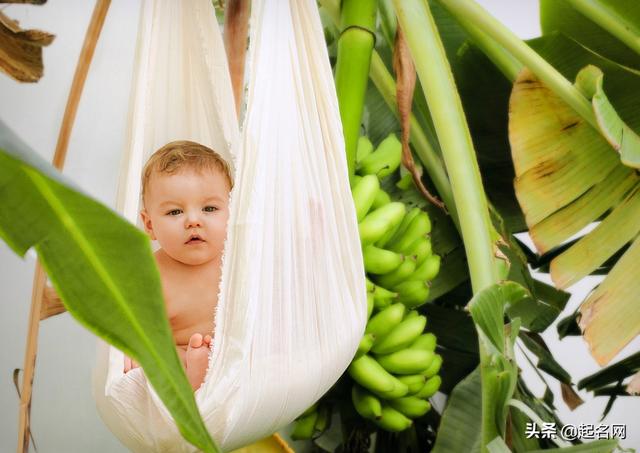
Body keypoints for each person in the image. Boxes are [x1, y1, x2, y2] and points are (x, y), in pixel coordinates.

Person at [123, 140, 232, 391]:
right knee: (159, 359)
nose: (193, 221)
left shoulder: (237, 258)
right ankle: (195, 374)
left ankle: (204, 370)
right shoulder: (148, 274)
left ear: (231, 213)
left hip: (233, 350)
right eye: (174, 212)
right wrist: (127, 348)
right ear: (149, 225)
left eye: (209, 208)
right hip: (181, 351)